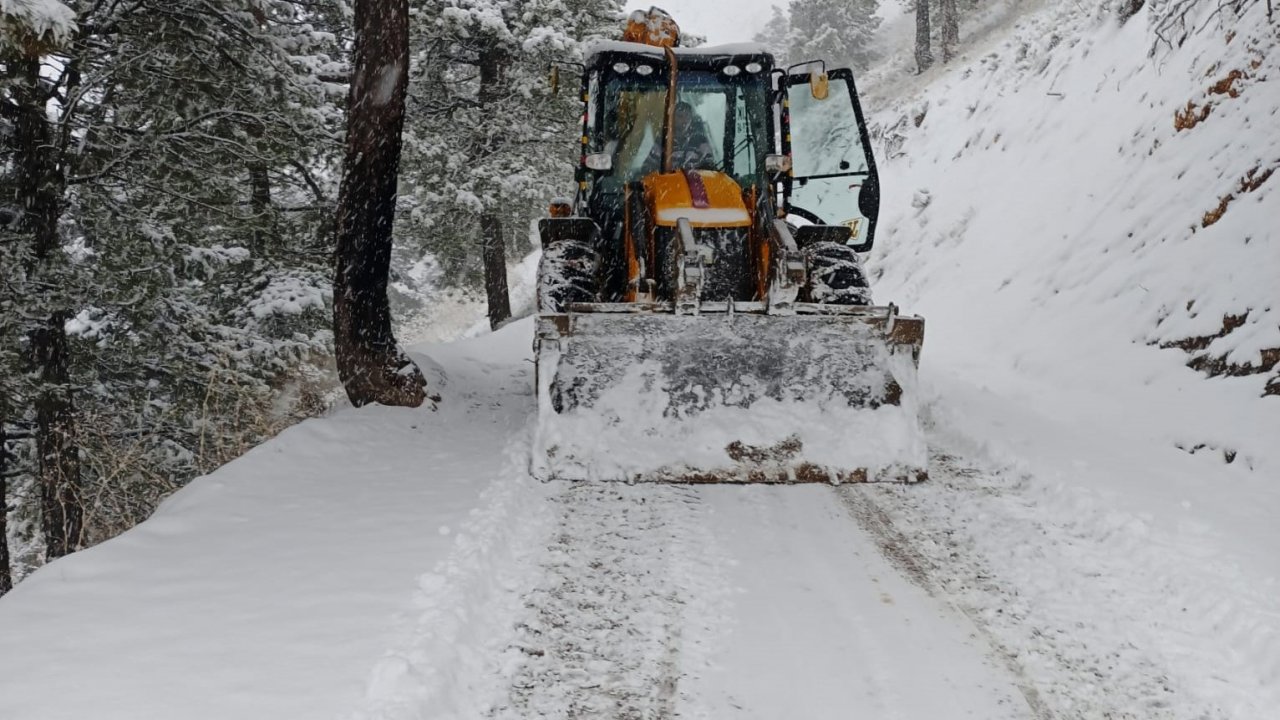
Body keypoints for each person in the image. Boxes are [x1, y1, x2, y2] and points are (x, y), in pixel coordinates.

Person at [643, 100, 716, 172]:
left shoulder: (700, 140)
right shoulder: (662, 141)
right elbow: (648, 167)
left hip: (694, 182)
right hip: (669, 182)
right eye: (680, 116)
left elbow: (710, 167)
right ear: (672, 118)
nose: (685, 120)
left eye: (687, 116)